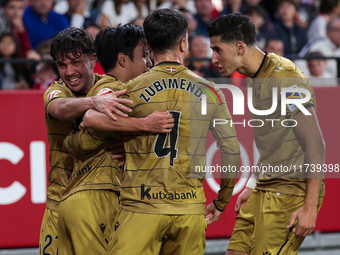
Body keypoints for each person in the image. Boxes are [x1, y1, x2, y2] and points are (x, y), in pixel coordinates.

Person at [83, 8, 240, 255]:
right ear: (183, 43)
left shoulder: (129, 90)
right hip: (189, 210)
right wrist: (221, 201)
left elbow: (90, 118)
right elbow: (231, 151)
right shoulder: (211, 91)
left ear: (149, 44)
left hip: (140, 208)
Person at [39, 27, 168, 255]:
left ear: (93, 59)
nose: (69, 72)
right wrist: (93, 103)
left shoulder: (107, 85)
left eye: (76, 62)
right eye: (62, 65)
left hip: (98, 199)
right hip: (57, 203)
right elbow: (60, 109)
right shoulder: (56, 90)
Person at [208, 13, 325, 255]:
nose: (213, 59)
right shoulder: (256, 76)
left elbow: (315, 141)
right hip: (265, 187)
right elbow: (275, 140)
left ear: (240, 47)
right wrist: (251, 184)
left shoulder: (285, 78)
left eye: (218, 50)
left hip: (290, 191)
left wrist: (310, 207)